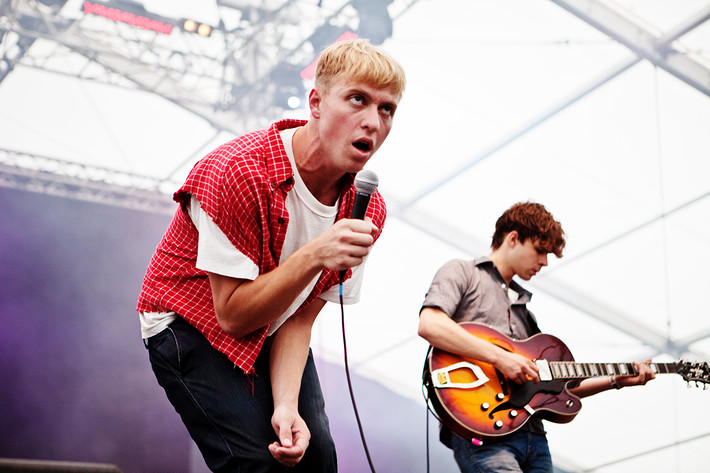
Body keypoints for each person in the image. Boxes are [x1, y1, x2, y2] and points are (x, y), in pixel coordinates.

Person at [136, 39, 405, 473]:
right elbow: (234, 316)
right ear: (315, 102)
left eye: (387, 109)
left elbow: (299, 317)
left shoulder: (367, 208)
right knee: (255, 463)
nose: (373, 121)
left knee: (315, 460)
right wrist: (318, 251)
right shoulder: (237, 171)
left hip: (274, 322)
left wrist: (285, 405)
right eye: (358, 99)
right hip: (188, 323)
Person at [417, 201, 655, 473]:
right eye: (540, 251)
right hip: (484, 433)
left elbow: (556, 390)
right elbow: (430, 325)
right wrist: (502, 358)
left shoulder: (526, 317)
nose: (544, 262)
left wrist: (615, 380)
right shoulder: (462, 272)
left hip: (535, 438)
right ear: (513, 238)